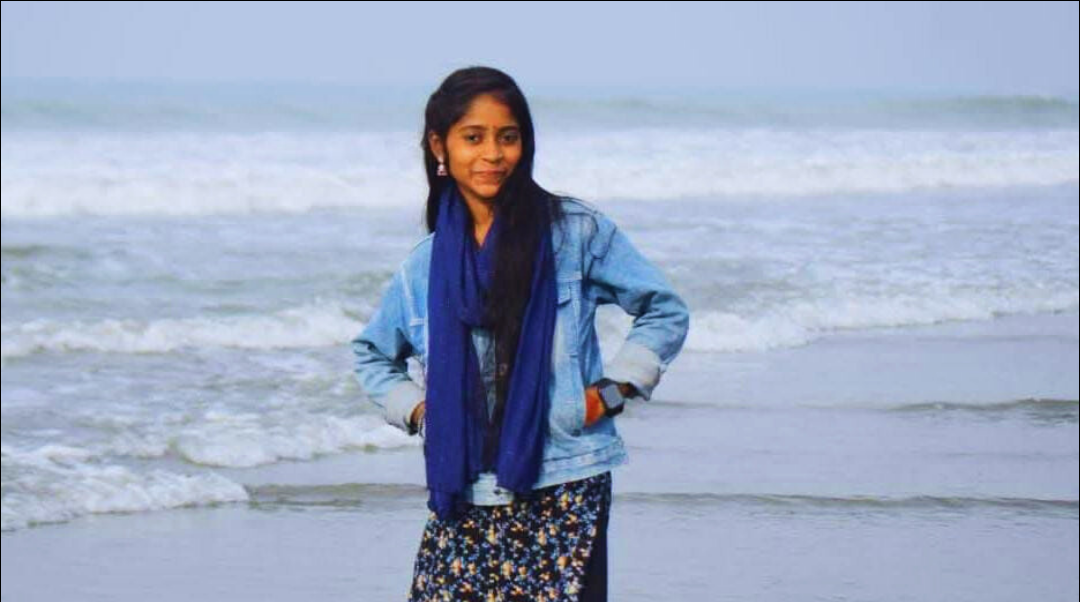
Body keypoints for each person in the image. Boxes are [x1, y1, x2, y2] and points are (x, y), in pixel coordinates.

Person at [351, 66, 690, 602]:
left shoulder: (575, 233)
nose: (493, 154)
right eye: (473, 137)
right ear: (440, 147)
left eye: (507, 137)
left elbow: (663, 310)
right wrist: (421, 412)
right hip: (464, 489)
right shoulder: (424, 267)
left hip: (566, 477)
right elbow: (372, 354)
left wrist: (609, 392)